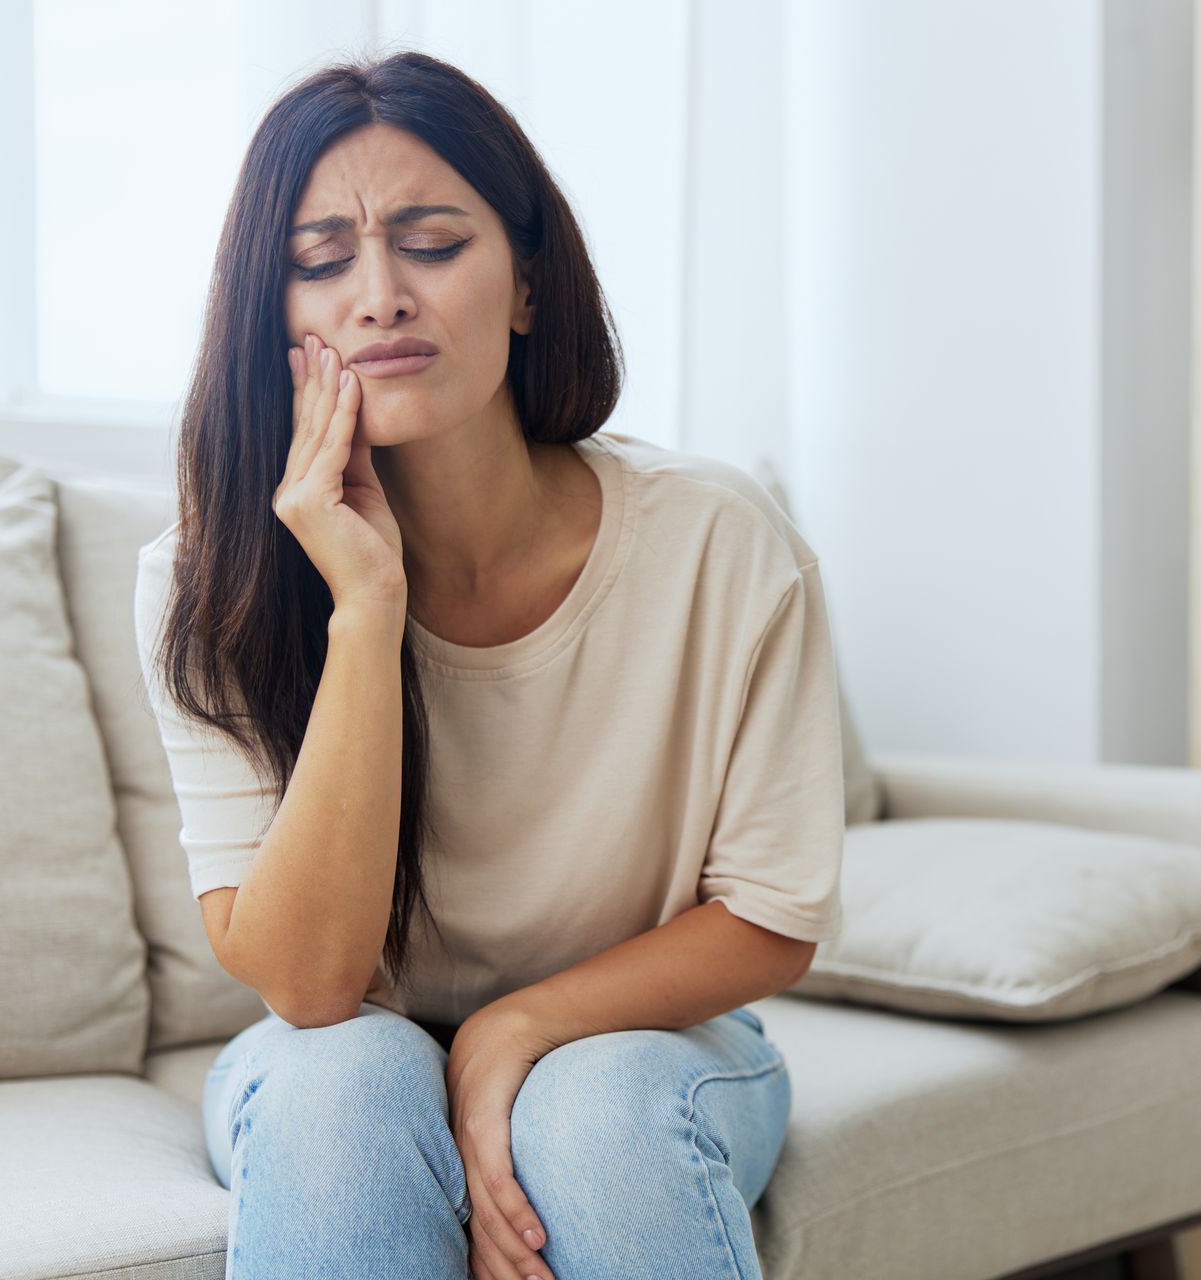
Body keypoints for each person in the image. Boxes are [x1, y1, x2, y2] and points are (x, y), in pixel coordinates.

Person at [131, 47, 848, 1280]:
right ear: (274, 314)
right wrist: (366, 605)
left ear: (526, 284)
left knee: (599, 1108)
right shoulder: (208, 578)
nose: (379, 297)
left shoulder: (722, 543)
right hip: (339, 1049)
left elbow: (774, 914)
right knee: (349, 1078)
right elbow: (309, 985)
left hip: (641, 1040)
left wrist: (514, 1030)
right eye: (321, 260)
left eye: (432, 242)